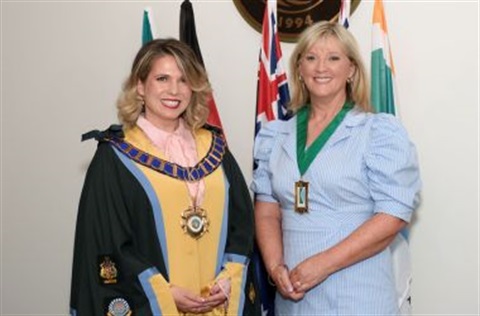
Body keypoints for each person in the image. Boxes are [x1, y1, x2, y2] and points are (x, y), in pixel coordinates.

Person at [70, 38, 260, 316]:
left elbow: (241, 224)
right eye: (162, 78)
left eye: (183, 80)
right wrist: (165, 293)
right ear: (140, 85)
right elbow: (107, 244)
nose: (174, 90)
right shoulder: (114, 158)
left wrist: (229, 278)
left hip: (217, 306)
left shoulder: (215, 148)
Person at [251, 21, 421, 315]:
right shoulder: (275, 134)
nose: (321, 67)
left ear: (351, 69)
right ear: (299, 69)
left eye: (333, 58)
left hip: (356, 294)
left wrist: (323, 265)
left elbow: (393, 215)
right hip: (292, 296)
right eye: (311, 57)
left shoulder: (376, 132)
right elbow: (266, 208)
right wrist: (275, 266)